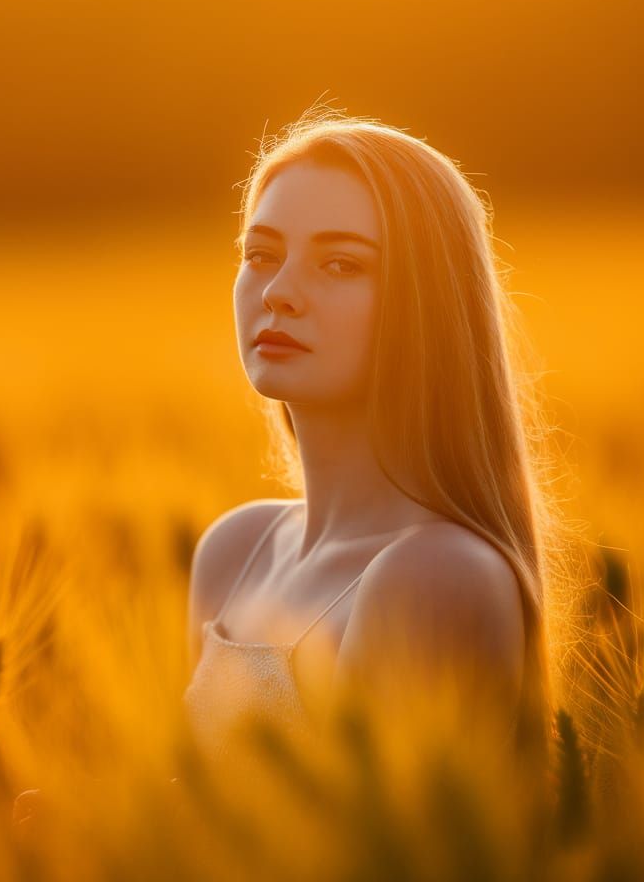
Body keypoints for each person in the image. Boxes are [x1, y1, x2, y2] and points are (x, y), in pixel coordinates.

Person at [181, 104, 555, 786]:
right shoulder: (235, 553)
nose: (280, 292)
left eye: (342, 264)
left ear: (427, 303)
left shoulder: (437, 577)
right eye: (261, 254)